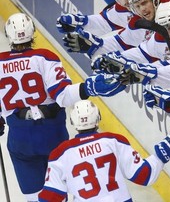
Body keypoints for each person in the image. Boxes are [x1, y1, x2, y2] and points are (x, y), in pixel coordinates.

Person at [0, 12, 126, 201]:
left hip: (20, 139)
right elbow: (63, 96)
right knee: (62, 193)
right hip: (53, 135)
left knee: (36, 198)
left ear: (8, 35)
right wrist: (88, 87)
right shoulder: (45, 57)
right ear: (32, 32)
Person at [38, 99, 170, 201]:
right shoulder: (113, 141)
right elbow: (144, 176)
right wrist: (164, 152)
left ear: (72, 121)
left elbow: (51, 197)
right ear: (98, 118)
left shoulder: (60, 154)